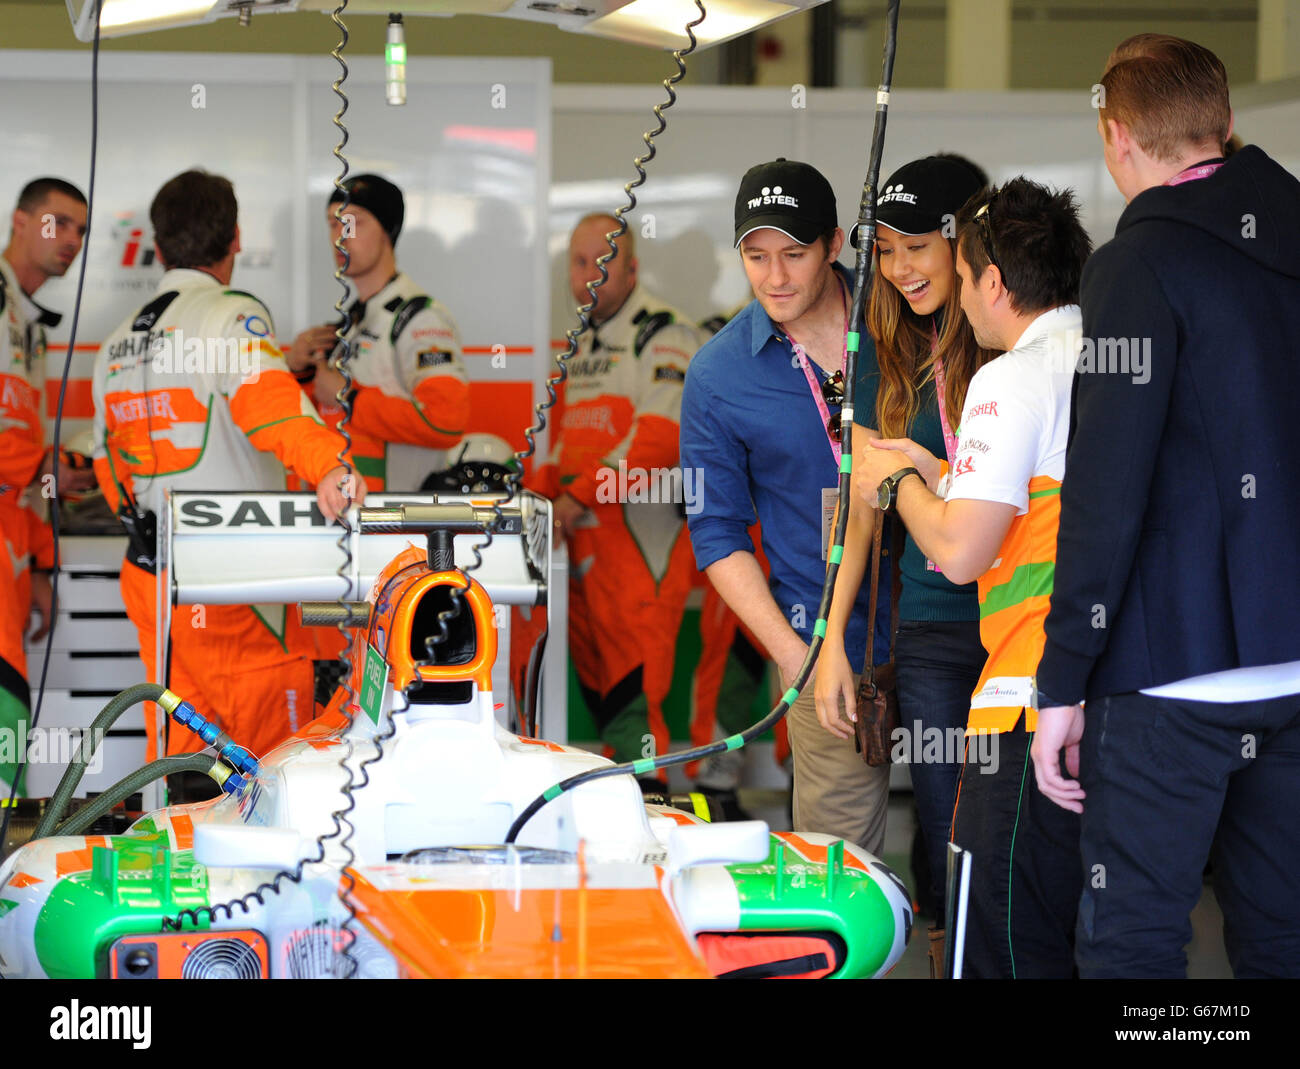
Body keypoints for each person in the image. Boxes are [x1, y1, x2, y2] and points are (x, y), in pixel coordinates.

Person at [1031, 34, 1300, 979]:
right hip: (1294, 669)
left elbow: (1107, 492)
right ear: (1226, 126)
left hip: (1168, 676)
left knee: (1135, 941)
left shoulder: (1136, 263)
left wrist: (1061, 680)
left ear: (1117, 138)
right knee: (1284, 935)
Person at [856, 177, 1092, 977]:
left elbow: (959, 551)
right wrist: (938, 469)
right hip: (1106, 694)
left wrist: (899, 486)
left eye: (959, 277)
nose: (955, 297)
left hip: (1024, 695)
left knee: (992, 937)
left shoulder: (1010, 376)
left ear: (993, 281)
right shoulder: (1107, 349)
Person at [91, 169, 364, 773]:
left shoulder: (114, 343)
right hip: (232, 586)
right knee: (266, 770)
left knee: (179, 766)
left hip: (153, 583)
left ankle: (174, 862)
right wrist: (331, 468)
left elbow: (108, 467)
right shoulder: (229, 315)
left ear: (158, 247)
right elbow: (273, 410)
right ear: (235, 239)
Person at [681, 159, 891, 853]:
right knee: (837, 862)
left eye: (794, 255)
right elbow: (716, 532)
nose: (775, 277)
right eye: (756, 256)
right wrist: (797, 659)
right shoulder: (718, 372)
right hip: (820, 646)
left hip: (952, 630)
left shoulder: (904, 319)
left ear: (834, 244)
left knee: (971, 854)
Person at [814, 154, 994, 950]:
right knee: (949, 840)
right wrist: (830, 645)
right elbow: (860, 505)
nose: (897, 267)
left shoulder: (1010, 338)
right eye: (884, 248)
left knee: (1022, 837)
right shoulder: (877, 344)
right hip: (933, 630)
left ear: (967, 240)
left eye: (916, 245)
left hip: (1020, 621)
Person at [532, 213, 706, 776]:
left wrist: (575, 498)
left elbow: (660, 435)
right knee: (602, 696)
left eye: (603, 264)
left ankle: (652, 815)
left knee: (636, 693)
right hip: (576, 547)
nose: (588, 277)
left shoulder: (665, 332)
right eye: (579, 263)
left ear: (631, 269)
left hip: (640, 545)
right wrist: (538, 507)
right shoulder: (576, 345)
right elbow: (557, 446)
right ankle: (615, 819)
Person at [287, 174, 469, 491]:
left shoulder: (421, 319)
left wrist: (350, 398)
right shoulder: (348, 324)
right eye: (332, 223)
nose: (340, 236)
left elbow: (446, 421)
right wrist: (300, 372)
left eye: (353, 222)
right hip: (338, 514)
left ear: (388, 230)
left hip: (393, 524)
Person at [0, 177, 94, 790]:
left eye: (82, 230)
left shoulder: (27, 324)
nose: (72, 241)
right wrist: (44, 466)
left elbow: (24, 458)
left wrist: (39, 562)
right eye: (59, 222)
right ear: (19, 221)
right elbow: (27, 459)